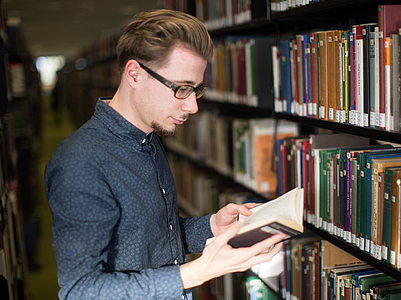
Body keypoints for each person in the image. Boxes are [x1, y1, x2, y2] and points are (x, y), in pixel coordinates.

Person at [44, 9, 286, 300]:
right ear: (134, 74)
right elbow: (80, 290)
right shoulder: (80, 163)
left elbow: (156, 235)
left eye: (196, 89)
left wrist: (211, 226)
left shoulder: (150, 136)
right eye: (182, 88)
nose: (193, 106)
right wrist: (198, 272)